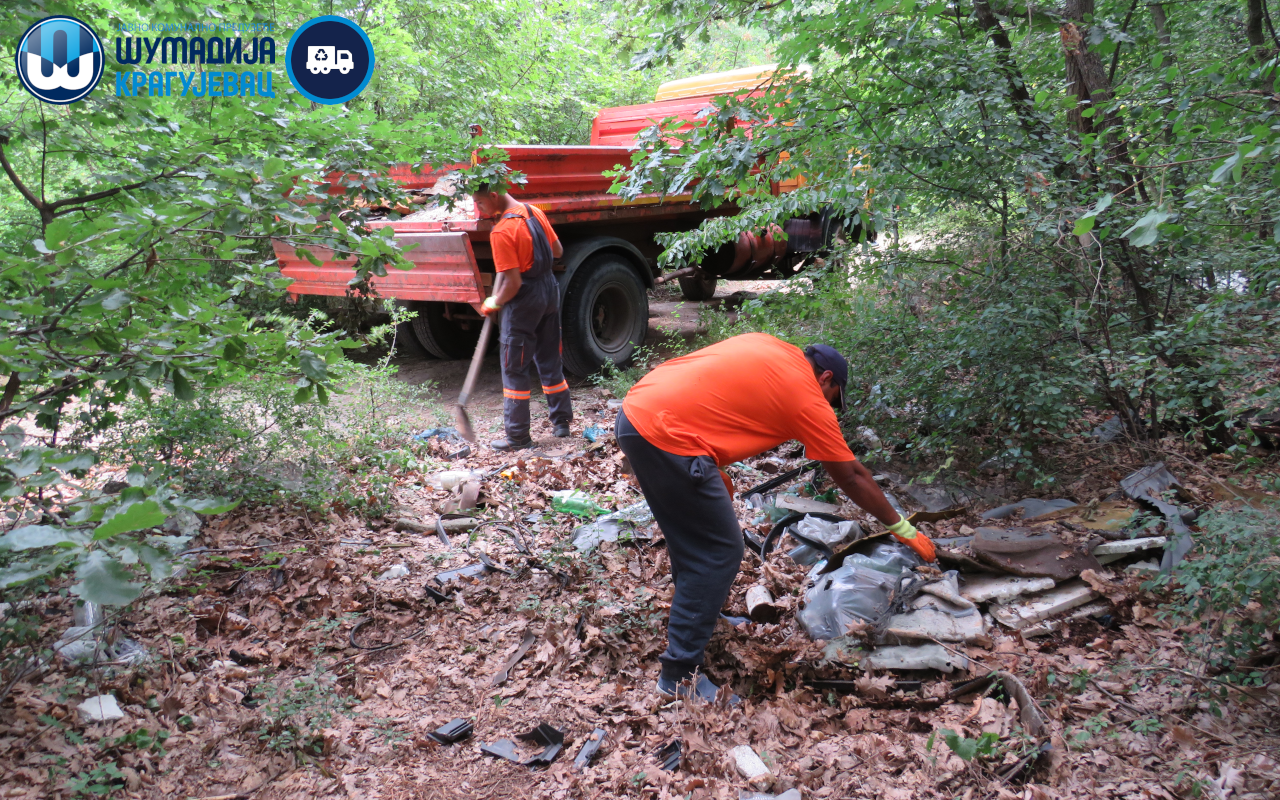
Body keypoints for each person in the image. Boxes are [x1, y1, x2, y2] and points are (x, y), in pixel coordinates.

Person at [615, 332, 936, 702]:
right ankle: (677, 674)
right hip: (666, 435)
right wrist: (901, 526)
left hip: (638, 414)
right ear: (826, 379)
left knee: (692, 540)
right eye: (834, 400)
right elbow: (850, 475)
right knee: (720, 552)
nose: (831, 409)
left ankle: (704, 621)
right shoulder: (806, 395)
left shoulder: (774, 348)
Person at [473, 183, 573, 450]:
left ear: (494, 196)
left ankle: (518, 437)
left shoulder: (502, 231)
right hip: (549, 290)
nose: (478, 209)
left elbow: (513, 283)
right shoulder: (533, 212)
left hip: (524, 300)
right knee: (550, 358)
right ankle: (562, 423)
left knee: (514, 367)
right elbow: (558, 251)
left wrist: (494, 301)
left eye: (480, 203)